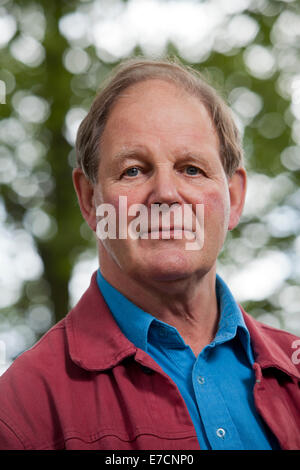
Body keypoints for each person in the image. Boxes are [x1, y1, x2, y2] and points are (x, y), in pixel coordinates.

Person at [0, 58, 299, 451]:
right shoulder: (22, 410)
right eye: (133, 171)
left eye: (191, 169)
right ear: (90, 201)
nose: (166, 194)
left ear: (234, 197)